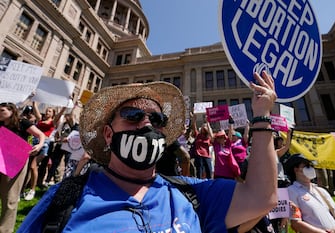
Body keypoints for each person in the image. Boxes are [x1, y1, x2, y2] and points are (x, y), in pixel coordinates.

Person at [18, 71, 278, 232]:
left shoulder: (192, 195)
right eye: (133, 115)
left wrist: (262, 115)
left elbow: (262, 197)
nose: (146, 124)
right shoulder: (64, 200)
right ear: (109, 134)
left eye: (157, 120)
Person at [0, 102, 45, 233]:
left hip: (15, 163)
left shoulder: (22, 122)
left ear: (12, 111)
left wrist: (39, 145)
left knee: (10, 197)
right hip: (1, 159)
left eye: (2, 110)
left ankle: (5, 230)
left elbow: (41, 135)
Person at [285, 154, 335, 233]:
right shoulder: (291, 191)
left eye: (312, 166)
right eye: (307, 166)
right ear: (296, 170)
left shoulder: (321, 191)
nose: (311, 169)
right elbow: (296, 223)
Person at [23, 102, 61, 200]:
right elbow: (36, 111)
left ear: (53, 114)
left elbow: (60, 114)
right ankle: (22, 189)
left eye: (49, 111)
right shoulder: (40, 120)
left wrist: (66, 104)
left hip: (44, 145)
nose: (47, 112)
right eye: (47, 111)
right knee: (27, 167)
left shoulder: (52, 122)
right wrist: (34, 101)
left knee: (33, 166)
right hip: (34, 143)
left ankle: (32, 190)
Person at [190, 111, 214, 179]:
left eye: (205, 126)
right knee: (199, 172)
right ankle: (199, 184)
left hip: (207, 156)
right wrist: (194, 120)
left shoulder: (208, 137)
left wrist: (207, 122)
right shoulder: (197, 135)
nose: (204, 127)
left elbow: (210, 133)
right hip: (198, 156)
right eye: (203, 126)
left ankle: (210, 184)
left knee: (209, 171)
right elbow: (194, 127)